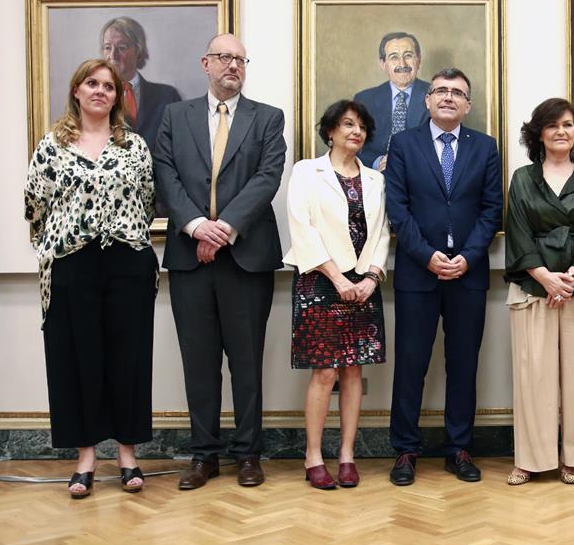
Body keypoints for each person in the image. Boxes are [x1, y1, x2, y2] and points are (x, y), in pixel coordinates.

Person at [154, 33, 287, 490]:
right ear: (204, 63)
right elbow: (165, 174)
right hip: (190, 258)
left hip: (245, 258)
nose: (234, 65)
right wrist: (195, 226)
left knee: (247, 363)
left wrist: (225, 228)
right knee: (199, 361)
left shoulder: (268, 118)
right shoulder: (175, 115)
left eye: (241, 59)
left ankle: (248, 454)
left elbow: (267, 177)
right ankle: (203, 455)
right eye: (224, 58)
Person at [24, 59, 157, 498]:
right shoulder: (50, 146)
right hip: (71, 265)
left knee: (129, 358)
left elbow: (148, 201)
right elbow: (34, 207)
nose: (100, 90)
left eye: (109, 85)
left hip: (127, 262)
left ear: (118, 95)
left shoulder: (134, 146)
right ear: (76, 90)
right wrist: (62, 243)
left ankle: (128, 454)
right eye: (92, 83)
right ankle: (85, 458)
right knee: (75, 360)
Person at [384, 67, 502, 486]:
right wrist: (428, 255)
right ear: (427, 100)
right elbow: (397, 209)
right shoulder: (403, 144)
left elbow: (492, 210)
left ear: (468, 104)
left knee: (463, 364)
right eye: (441, 91)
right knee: (411, 364)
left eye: (458, 93)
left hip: (468, 275)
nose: (449, 97)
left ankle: (459, 448)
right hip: (418, 273)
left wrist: (467, 257)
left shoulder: (485, 147)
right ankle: (405, 450)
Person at [283, 100, 389, 489]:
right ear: (330, 130)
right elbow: (302, 227)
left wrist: (372, 278)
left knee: (354, 371)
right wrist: (338, 279)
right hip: (320, 281)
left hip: (364, 285)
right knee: (325, 371)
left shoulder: (376, 180)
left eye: (361, 125)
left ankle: (346, 454)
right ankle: (313, 455)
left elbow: (381, 234)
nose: (355, 131)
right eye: (347, 124)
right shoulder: (306, 172)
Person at [504, 98, 574, 485]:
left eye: (567, 124)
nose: (561, 131)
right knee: (534, 377)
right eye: (552, 125)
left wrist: (571, 277)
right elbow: (517, 231)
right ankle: (531, 459)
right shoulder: (522, 178)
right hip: (534, 287)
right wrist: (546, 277)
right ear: (539, 133)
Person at [353, 32, 430, 172]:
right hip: (373, 178)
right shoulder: (364, 100)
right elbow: (352, 145)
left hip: (421, 175)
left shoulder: (436, 96)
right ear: (383, 64)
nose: (402, 64)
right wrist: (378, 162)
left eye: (408, 55)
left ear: (418, 60)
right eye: (394, 57)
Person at [101, 16, 182, 149]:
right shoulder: (95, 96)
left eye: (121, 47)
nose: (113, 55)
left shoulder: (167, 96)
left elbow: (180, 146)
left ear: (138, 50)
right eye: (107, 47)